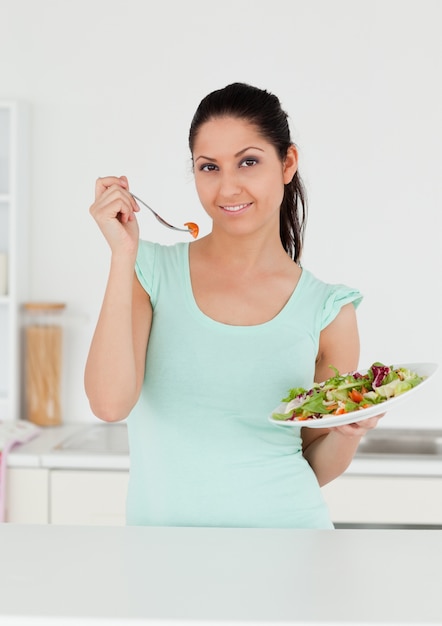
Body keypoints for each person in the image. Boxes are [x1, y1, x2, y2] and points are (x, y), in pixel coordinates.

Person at [85, 82, 381, 528]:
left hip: (290, 551)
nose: (228, 187)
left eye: (248, 161)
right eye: (209, 167)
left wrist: (348, 433)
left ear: (287, 163)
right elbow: (109, 404)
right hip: (165, 558)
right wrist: (123, 254)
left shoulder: (329, 309)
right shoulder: (149, 272)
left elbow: (314, 463)